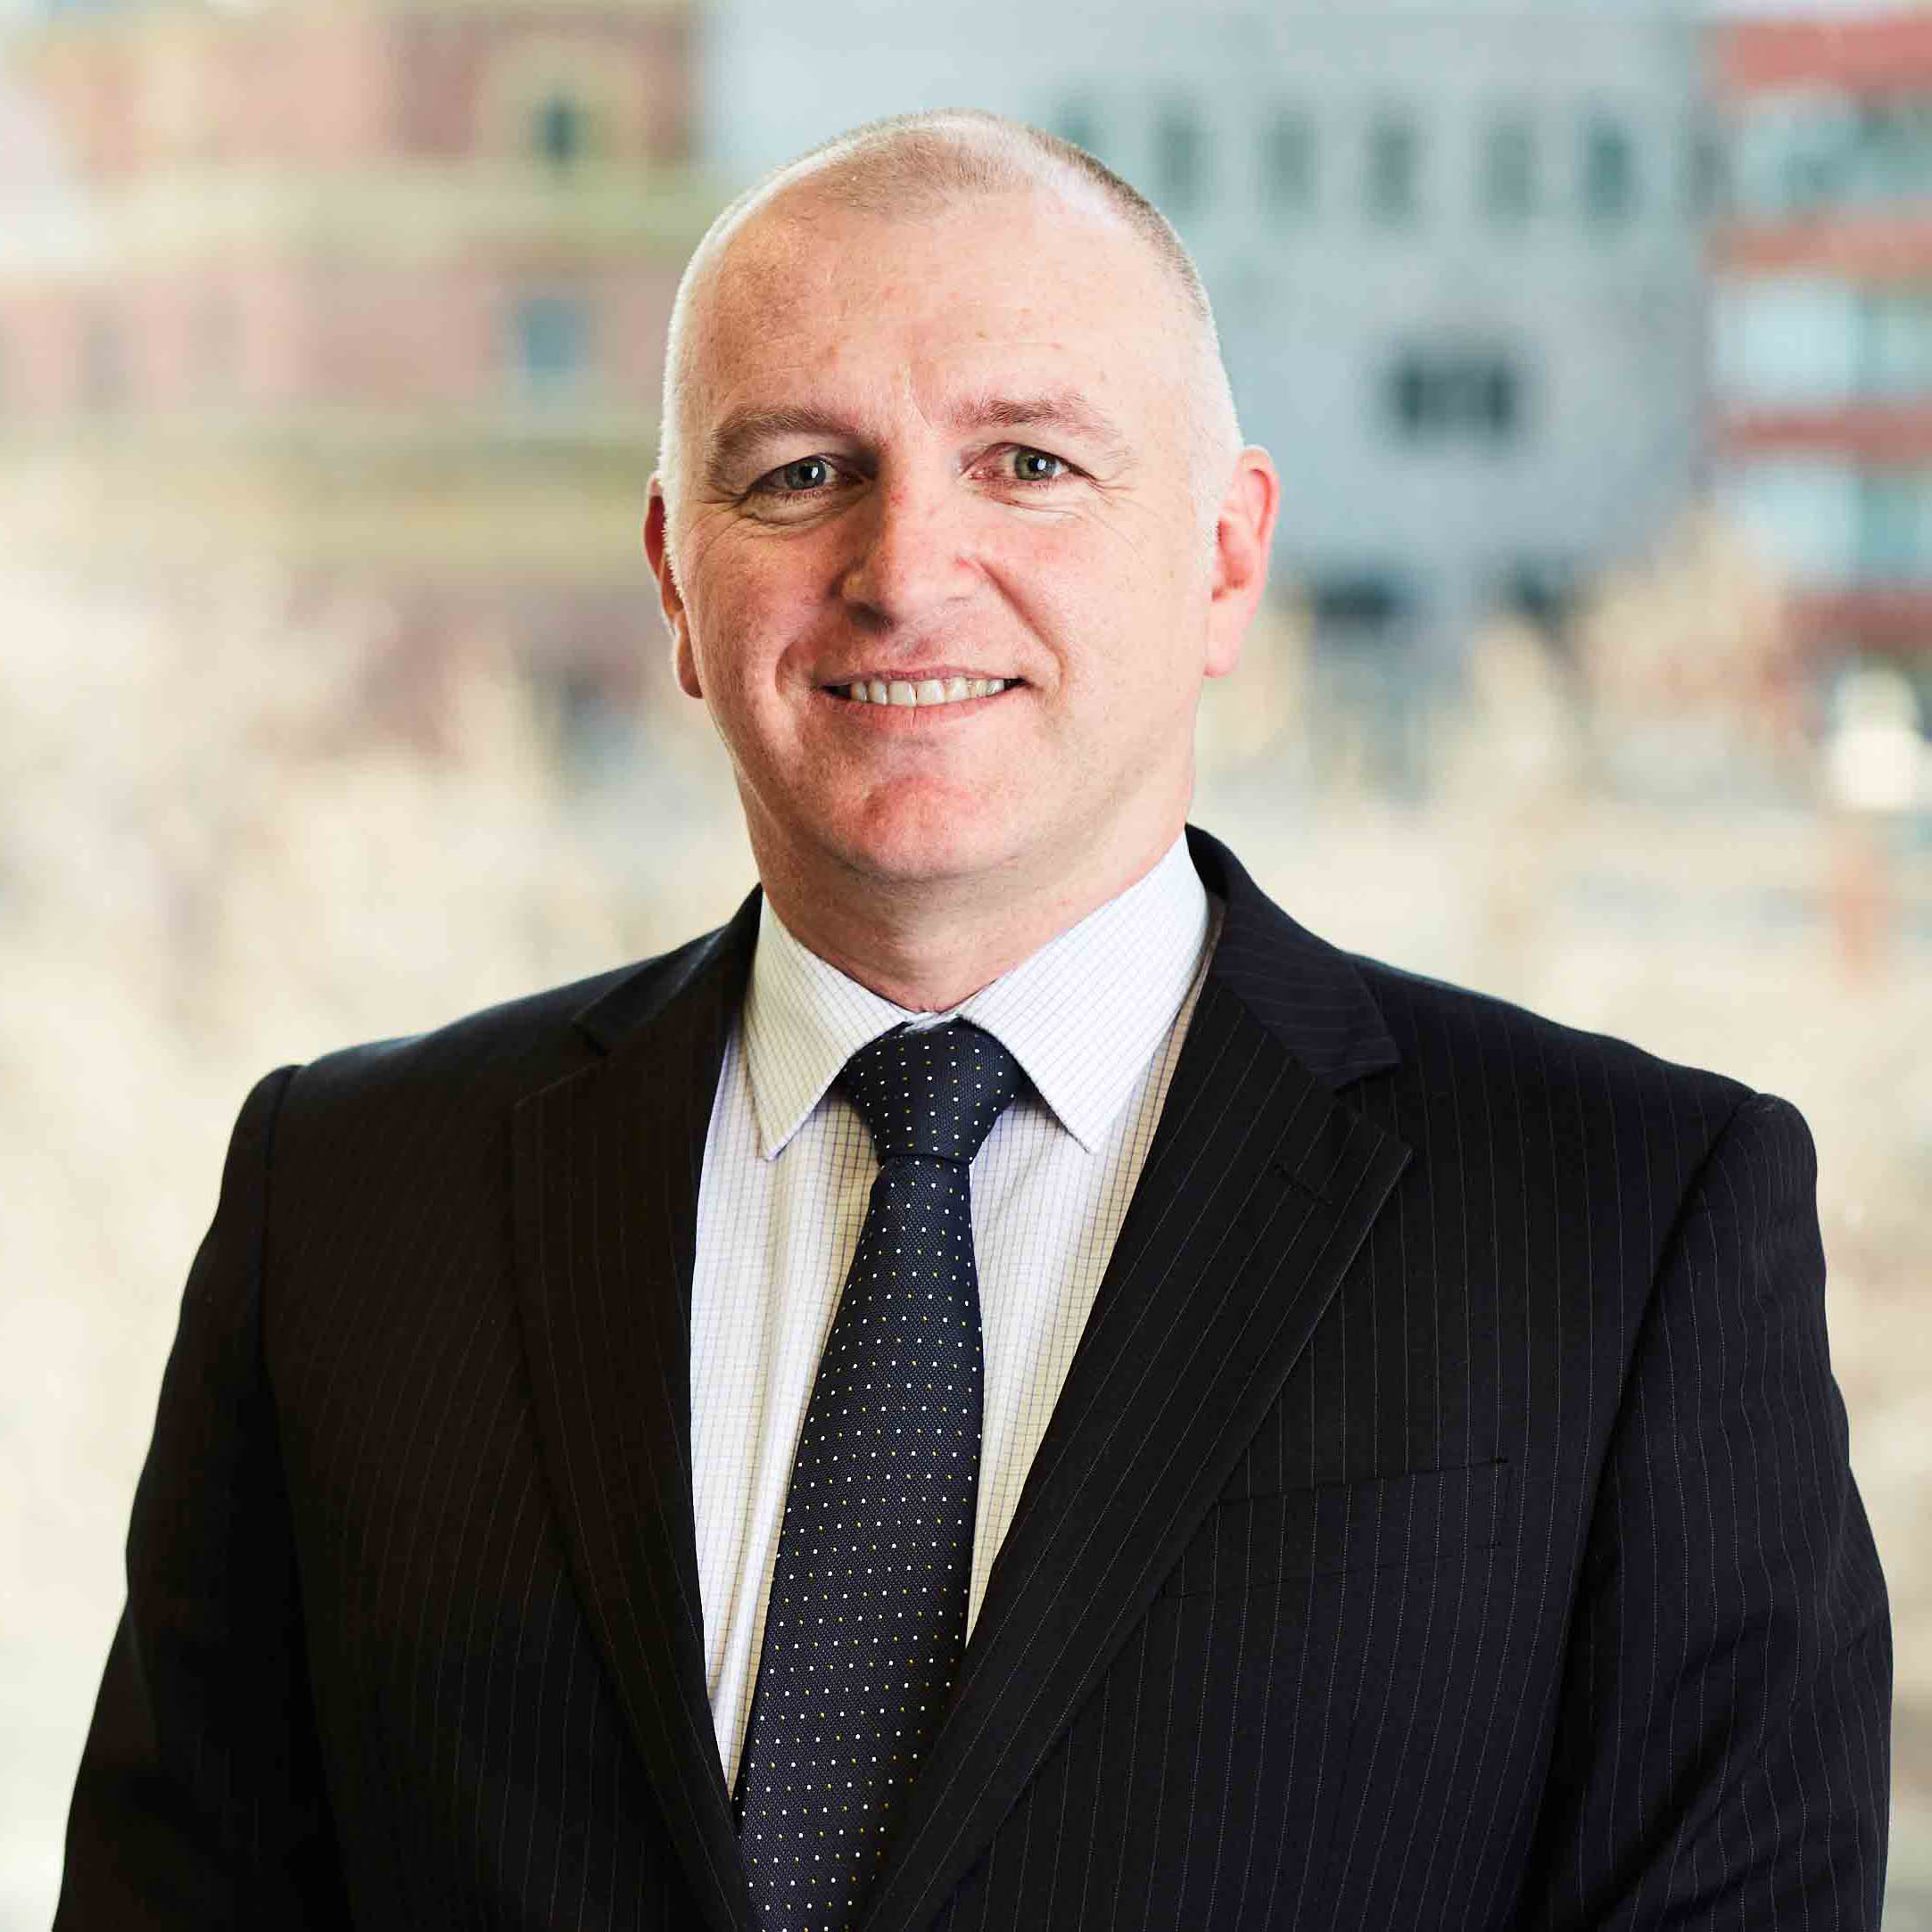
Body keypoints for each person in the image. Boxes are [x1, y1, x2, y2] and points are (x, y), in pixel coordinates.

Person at [57, 111, 1890, 1932]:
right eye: (794, 474)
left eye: (1024, 461)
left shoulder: (1626, 1220)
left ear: (1227, 558)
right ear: (675, 582)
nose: (906, 566)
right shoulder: (355, 1205)